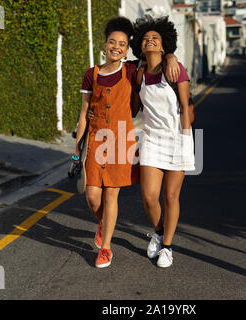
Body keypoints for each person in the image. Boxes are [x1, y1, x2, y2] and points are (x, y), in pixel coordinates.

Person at [75, 17, 180, 268]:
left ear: (126, 48)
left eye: (122, 44)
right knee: (92, 197)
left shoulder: (132, 70)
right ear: (104, 45)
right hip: (97, 140)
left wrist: (171, 56)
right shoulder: (92, 74)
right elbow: (83, 113)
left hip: (122, 140)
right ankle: (103, 222)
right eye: (112, 42)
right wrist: (76, 149)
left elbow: (155, 56)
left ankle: (106, 248)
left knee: (112, 195)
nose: (117, 47)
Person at [131, 15, 195, 268]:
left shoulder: (176, 69)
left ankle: (167, 247)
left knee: (170, 196)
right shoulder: (138, 73)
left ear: (163, 44)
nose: (149, 41)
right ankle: (158, 231)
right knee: (149, 197)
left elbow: (186, 106)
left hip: (177, 137)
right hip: (151, 140)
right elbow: (133, 108)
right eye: (146, 38)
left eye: (155, 39)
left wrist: (186, 140)